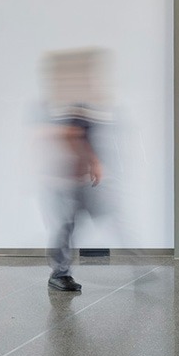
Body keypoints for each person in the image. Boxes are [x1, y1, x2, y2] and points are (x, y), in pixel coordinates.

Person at [42, 48, 108, 294]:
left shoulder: (81, 102)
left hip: (74, 176)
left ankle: (61, 272)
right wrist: (91, 161)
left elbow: (82, 132)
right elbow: (69, 135)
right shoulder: (61, 103)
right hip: (61, 177)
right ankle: (59, 274)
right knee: (65, 223)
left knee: (69, 223)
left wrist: (93, 161)